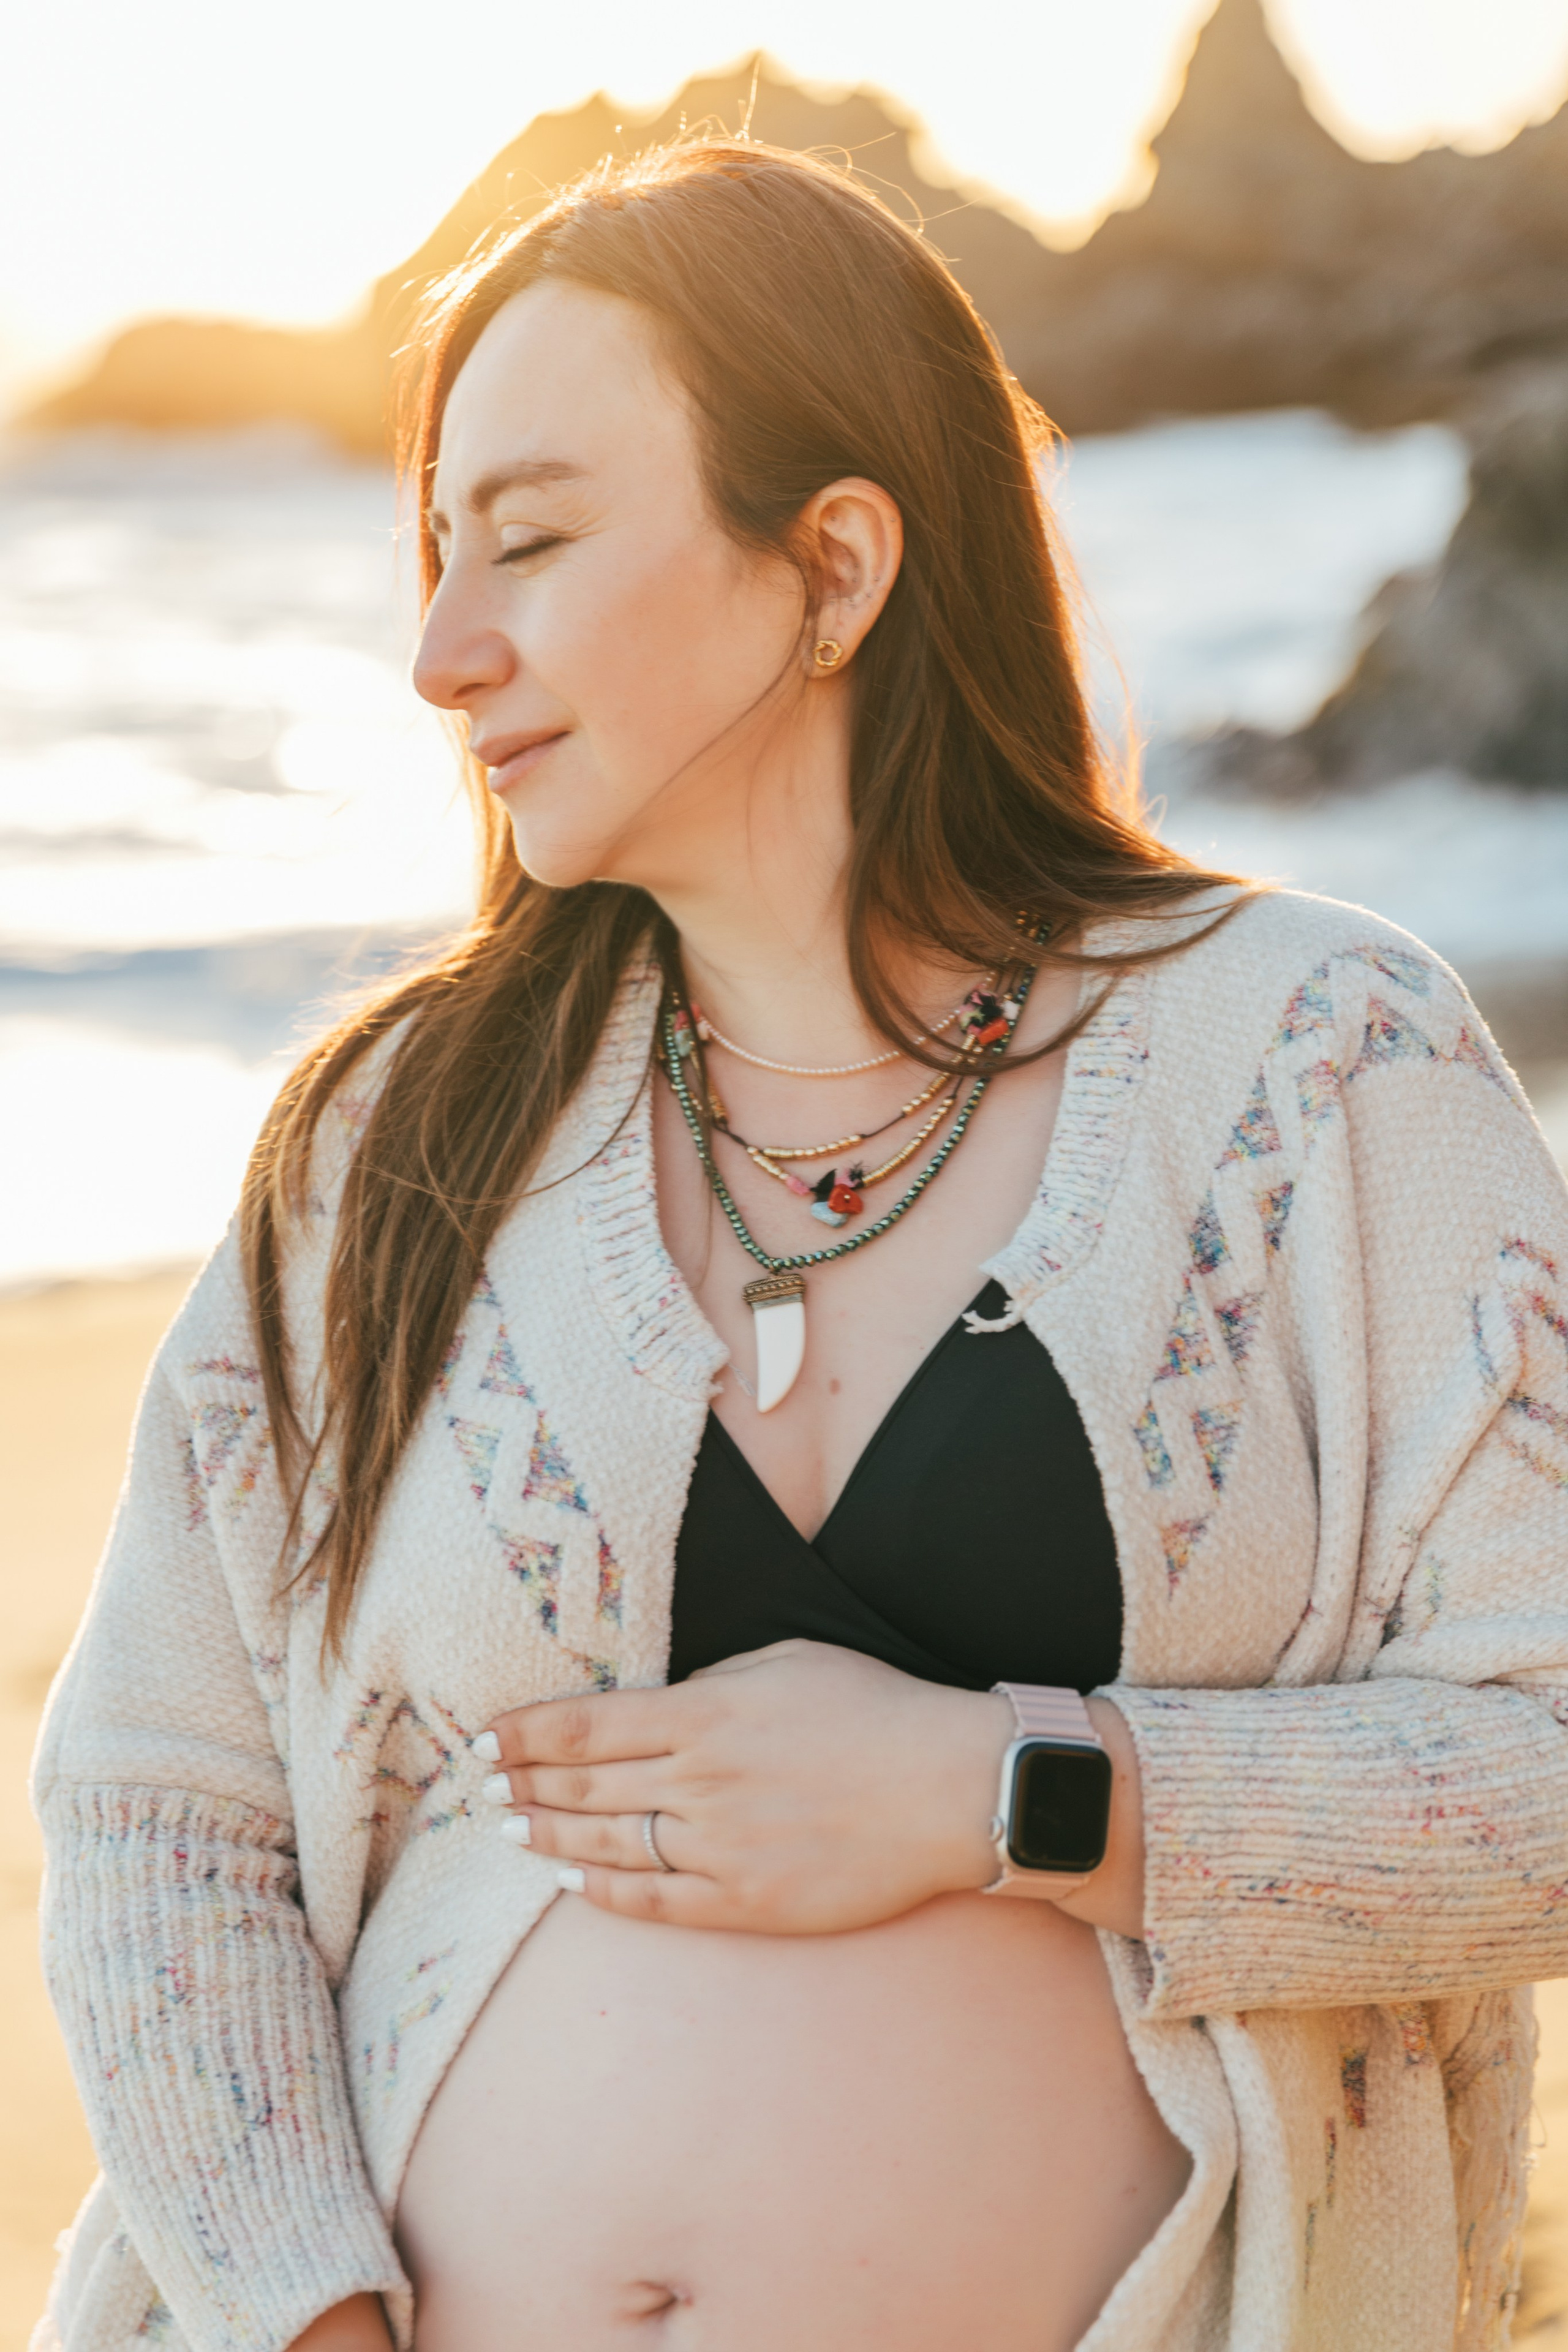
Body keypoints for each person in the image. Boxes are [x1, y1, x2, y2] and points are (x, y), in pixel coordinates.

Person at [31, 140, 1568, 2352]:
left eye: (530, 540)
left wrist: (1005, 1790)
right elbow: (161, 1810)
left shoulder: (1323, 1064)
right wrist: (305, 2318)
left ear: (834, 564)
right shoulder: (394, 1148)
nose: (443, 654)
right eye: (438, 554)